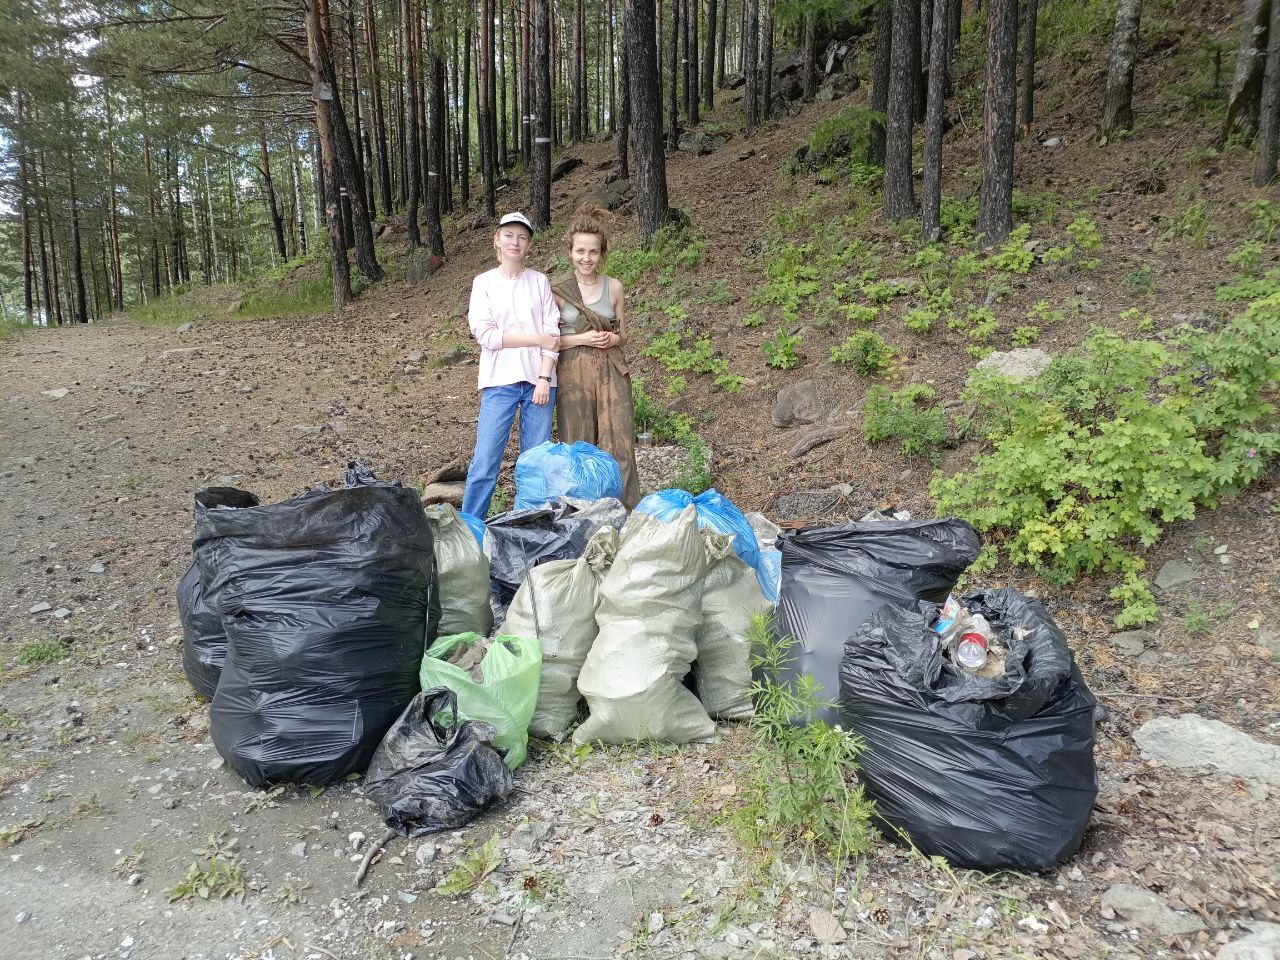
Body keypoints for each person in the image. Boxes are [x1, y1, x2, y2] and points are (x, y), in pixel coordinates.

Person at [461, 211, 561, 519]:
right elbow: (486, 335)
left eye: (521, 237)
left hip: (540, 382)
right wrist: (536, 339)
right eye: (508, 235)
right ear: (497, 240)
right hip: (499, 381)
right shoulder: (484, 283)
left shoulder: (539, 281)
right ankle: (469, 529)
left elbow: (553, 333)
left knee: (535, 464)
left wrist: (545, 377)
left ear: (529, 244)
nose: (514, 242)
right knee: (485, 462)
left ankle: (528, 528)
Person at [550, 203, 640, 507]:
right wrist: (581, 338)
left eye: (593, 252)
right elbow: (550, 341)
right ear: (570, 252)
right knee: (577, 443)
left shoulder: (614, 287)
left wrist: (614, 337)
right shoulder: (557, 290)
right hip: (572, 372)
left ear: (602, 254)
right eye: (580, 251)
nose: (586, 258)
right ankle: (580, 512)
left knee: (621, 441)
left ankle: (625, 511)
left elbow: (624, 336)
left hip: (611, 368)